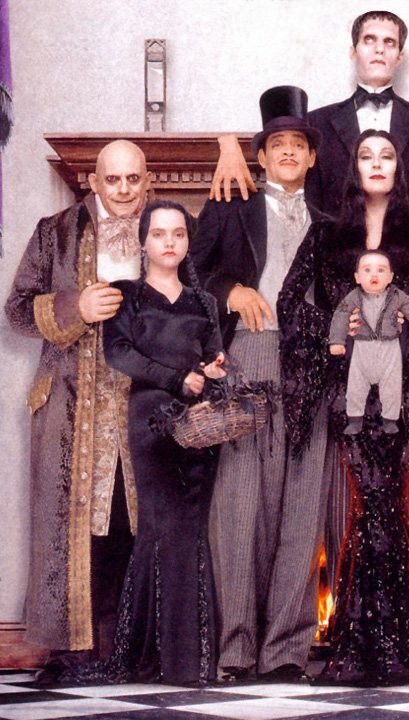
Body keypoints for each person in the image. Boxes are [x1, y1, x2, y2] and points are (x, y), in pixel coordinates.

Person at [278, 129, 409, 685]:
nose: (377, 163)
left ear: (399, 167)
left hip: (404, 384)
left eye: (387, 155)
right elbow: (290, 302)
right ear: (354, 167)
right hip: (347, 384)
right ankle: (373, 638)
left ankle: (392, 638)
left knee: (388, 501)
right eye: (367, 155)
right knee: (368, 503)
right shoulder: (325, 233)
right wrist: (334, 328)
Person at [191, 85, 330, 683]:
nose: (289, 152)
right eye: (278, 144)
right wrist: (231, 291)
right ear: (262, 156)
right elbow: (191, 270)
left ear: (313, 157)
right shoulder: (232, 205)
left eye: (299, 144)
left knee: (302, 501)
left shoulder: (331, 218)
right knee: (239, 498)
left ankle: (286, 652)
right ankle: (235, 648)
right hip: (249, 351)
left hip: (312, 362)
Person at [5, 140, 151, 681]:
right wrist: (76, 307)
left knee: (132, 522)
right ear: (93, 182)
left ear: (147, 179)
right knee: (71, 529)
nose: (123, 190)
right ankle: (70, 654)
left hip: (142, 401)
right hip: (70, 405)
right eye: (113, 179)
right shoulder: (56, 231)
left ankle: (129, 651)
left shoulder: (165, 229)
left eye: (133, 179)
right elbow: (17, 310)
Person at [70, 200, 226, 685]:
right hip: (151, 421)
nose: (169, 242)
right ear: (143, 242)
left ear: (188, 241)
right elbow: (119, 354)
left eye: (178, 233)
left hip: (198, 424)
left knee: (191, 532)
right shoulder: (127, 294)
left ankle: (189, 660)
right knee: (159, 529)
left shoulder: (204, 302)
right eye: (159, 234)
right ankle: (149, 655)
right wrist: (177, 379)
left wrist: (213, 372)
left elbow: (214, 357)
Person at [211, 10, 409, 217]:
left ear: (399, 57)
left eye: (389, 42)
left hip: (408, 268)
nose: (379, 49)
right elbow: (282, 167)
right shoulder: (316, 123)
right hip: (337, 271)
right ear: (353, 51)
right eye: (370, 40)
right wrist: (229, 144)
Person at [328, 249, 409, 435]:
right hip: (362, 348)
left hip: (390, 349)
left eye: (381, 270)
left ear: (390, 277)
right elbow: (340, 316)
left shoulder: (397, 296)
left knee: (392, 387)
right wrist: (337, 341)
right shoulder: (353, 297)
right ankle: (355, 420)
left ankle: (390, 420)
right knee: (355, 386)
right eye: (367, 270)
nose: (374, 275)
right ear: (357, 277)